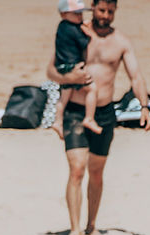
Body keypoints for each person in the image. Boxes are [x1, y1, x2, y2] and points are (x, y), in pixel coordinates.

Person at [46, 0, 150, 235]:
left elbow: (135, 76)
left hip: (104, 113)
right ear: (92, 8)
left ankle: (91, 224)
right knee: (77, 169)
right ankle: (75, 229)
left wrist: (144, 106)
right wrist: (68, 76)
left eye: (110, 11)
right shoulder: (76, 34)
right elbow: (51, 70)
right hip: (75, 110)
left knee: (96, 172)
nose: (105, 16)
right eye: (101, 10)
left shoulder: (121, 42)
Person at [50, 2, 101, 143]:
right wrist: (88, 33)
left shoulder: (62, 27)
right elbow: (84, 42)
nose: (80, 16)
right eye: (76, 14)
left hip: (63, 66)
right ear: (63, 14)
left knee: (64, 97)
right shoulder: (71, 29)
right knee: (92, 89)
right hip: (73, 67)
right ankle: (89, 118)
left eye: (81, 13)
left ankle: (57, 122)